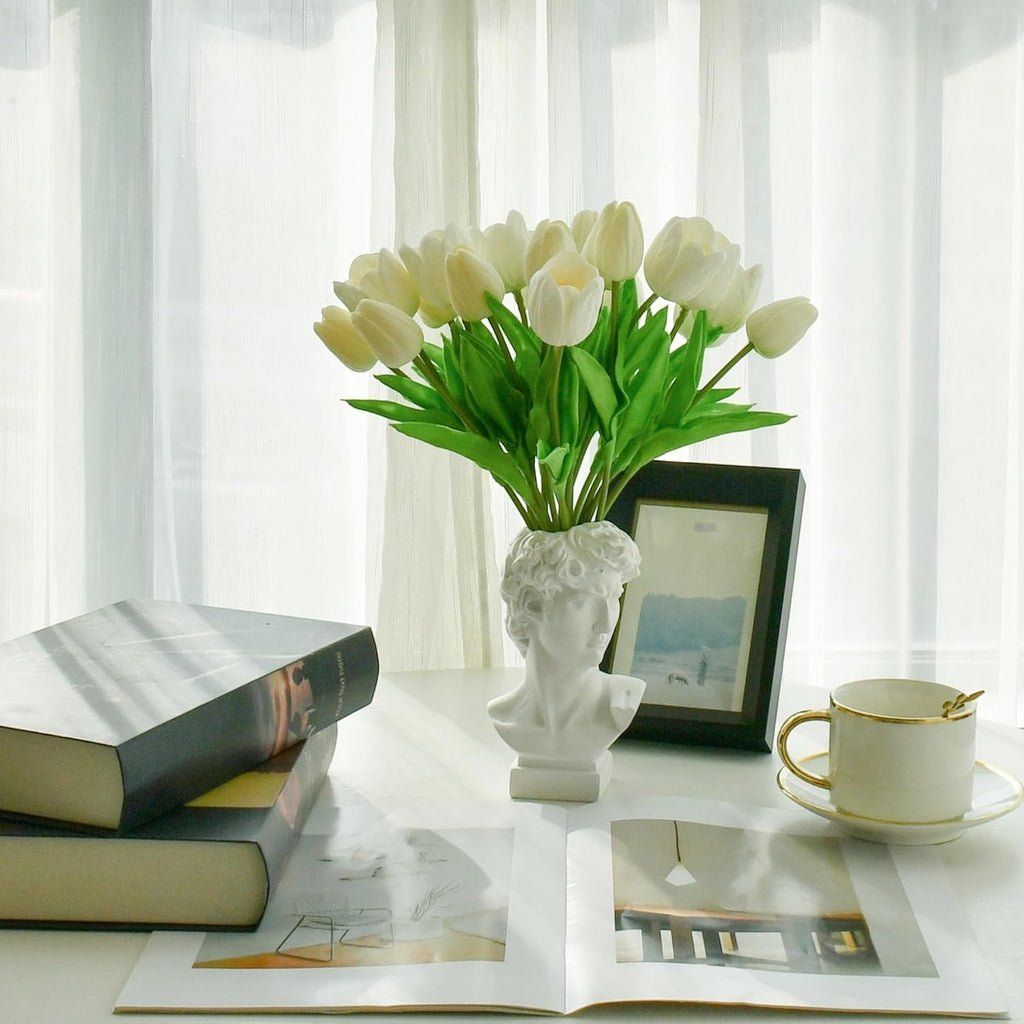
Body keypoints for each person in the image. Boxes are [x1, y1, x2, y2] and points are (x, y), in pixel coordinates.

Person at [488, 521, 646, 770]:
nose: (605, 625)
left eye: (614, 597)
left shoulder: (621, 704)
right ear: (533, 605)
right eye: (582, 602)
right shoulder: (504, 716)